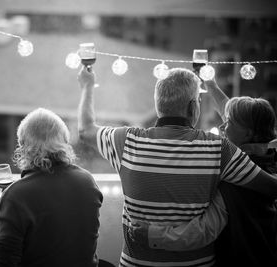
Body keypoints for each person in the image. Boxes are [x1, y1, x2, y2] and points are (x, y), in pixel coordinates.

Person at [77, 66, 277, 267]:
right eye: (199, 100)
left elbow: (85, 130)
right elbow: (271, 187)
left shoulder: (126, 141)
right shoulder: (219, 150)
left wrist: (87, 85)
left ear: (158, 105)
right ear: (192, 107)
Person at [129, 79, 277, 266]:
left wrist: (153, 235)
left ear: (248, 134)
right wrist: (212, 85)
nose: (223, 126)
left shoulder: (236, 179)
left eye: (228, 122)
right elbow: (234, 115)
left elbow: (204, 231)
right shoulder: (269, 159)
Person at [0, 108, 103, 267]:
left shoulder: (16, 195)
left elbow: (0, 261)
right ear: (64, 142)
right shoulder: (87, 181)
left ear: (23, 146)